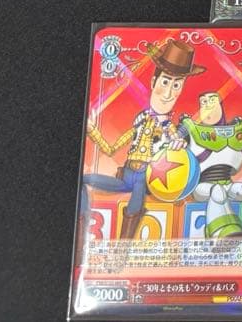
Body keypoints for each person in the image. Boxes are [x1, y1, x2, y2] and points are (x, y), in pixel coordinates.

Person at [81, 40, 202, 239]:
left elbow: (176, 141)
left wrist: (178, 144)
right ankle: (81, 235)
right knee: (85, 180)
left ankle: (122, 249)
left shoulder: (169, 128)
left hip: (146, 179)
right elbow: (111, 149)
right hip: (126, 175)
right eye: (165, 82)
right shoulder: (140, 121)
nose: (169, 93)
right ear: (153, 82)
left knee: (134, 204)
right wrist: (92, 131)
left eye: (176, 85)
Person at [180, 93, 242, 242]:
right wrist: (175, 143)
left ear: (220, 104)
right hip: (201, 187)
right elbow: (165, 146)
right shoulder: (190, 130)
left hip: (228, 184)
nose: (207, 105)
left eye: (212, 100)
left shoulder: (239, 131)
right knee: (217, 191)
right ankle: (220, 233)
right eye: (203, 102)